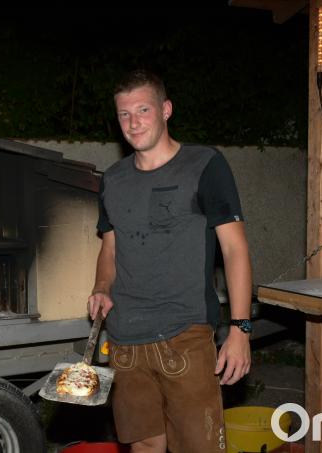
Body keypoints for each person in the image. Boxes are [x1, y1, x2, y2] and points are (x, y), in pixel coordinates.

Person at [87, 69, 252, 453]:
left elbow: (235, 250)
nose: (133, 122)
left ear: (166, 109)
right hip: (126, 340)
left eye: (143, 110)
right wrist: (100, 286)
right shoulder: (112, 179)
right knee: (144, 445)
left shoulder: (205, 165)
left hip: (185, 336)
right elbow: (109, 248)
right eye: (124, 114)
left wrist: (240, 330)